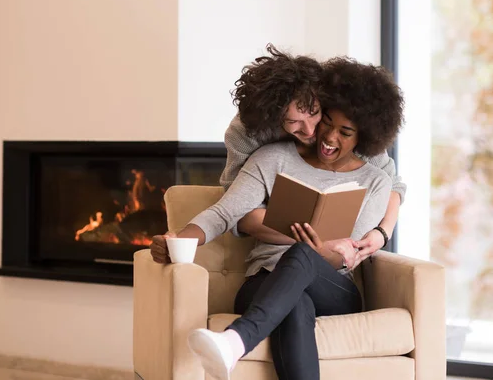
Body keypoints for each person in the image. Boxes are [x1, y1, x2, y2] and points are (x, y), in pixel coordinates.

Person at [169, 58, 405, 380]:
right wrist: (179, 239)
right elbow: (225, 213)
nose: (327, 136)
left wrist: (380, 232)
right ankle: (234, 343)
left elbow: (342, 257)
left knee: (302, 255)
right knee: (294, 305)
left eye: (345, 132)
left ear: (363, 138)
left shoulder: (375, 180)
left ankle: (236, 341)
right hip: (262, 282)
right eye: (328, 124)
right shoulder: (269, 157)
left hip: (333, 287)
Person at [150, 44, 406, 262]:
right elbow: (235, 212)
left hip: (322, 268)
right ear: (273, 120)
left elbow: (391, 183)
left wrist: (382, 233)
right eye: (293, 122)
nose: (311, 130)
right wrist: (312, 240)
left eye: (315, 114)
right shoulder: (247, 136)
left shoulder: (340, 121)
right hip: (274, 252)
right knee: (298, 262)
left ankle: (243, 324)